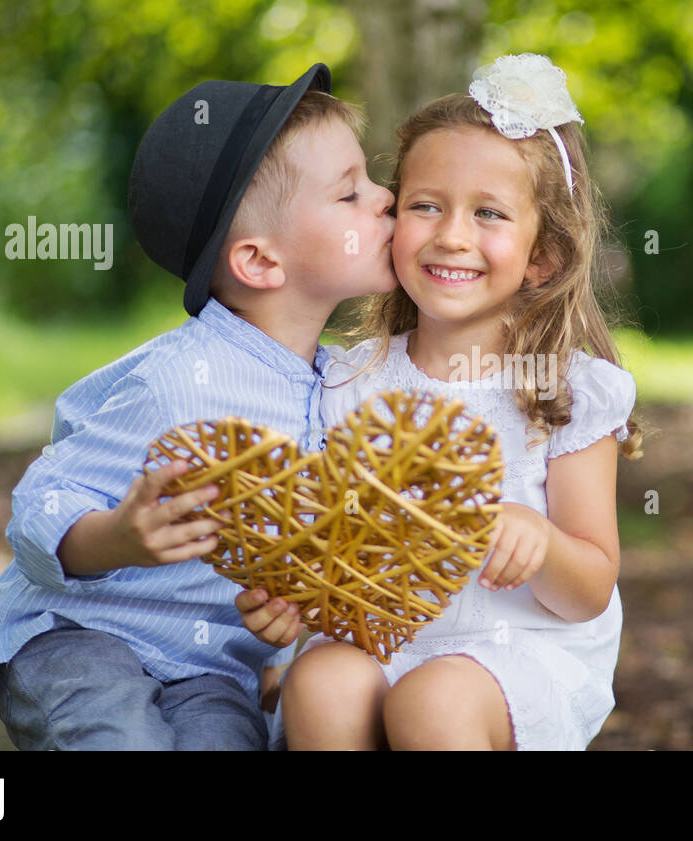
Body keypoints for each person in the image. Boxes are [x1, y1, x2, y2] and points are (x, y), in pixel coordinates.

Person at [0, 64, 397, 750]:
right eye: (350, 193)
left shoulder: (347, 389)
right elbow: (41, 499)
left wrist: (287, 623)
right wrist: (116, 538)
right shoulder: (178, 381)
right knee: (122, 737)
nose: (385, 198)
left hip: (208, 666)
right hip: (83, 638)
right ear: (259, 263)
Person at [240, 54, 644, 750]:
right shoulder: (347, 383)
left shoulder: (563, 391)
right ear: (393, 221)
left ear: (541, 255)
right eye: (426, 205)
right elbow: (322, 548)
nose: (452, 234)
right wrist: (289, 602)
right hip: (380, 640)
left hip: (514, 657)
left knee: (435, 701)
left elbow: (589, 587)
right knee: (322, 680)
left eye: (488, 213)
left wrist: (541, 540)